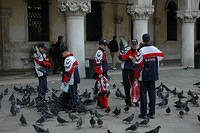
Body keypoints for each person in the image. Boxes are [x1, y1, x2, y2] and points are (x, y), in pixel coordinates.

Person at [138, 34, 164, 119]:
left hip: (143, 76)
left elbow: (138, 62)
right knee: (152, 94)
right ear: (150, 40)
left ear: (143, 40)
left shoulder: (141, 51)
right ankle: (152, 113)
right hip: (153, 75)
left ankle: (144, 113)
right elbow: (161, 57)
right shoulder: (155, 49)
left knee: (143, 95)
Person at [118, 39, 143, 107]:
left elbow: (141, 63)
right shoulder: (126, 50)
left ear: (137, 45)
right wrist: (128, 57)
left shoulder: (139, 52)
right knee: (127, 86)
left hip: (135, 71)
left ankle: (135, 100)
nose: (134, 46)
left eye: (135, 44)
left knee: (135, 86)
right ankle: (128, 101)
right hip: (127, 71)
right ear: (131, 44)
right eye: (133, 44)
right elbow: (120, 56)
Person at [60, 46, 80, 112]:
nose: (62, 55)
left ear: (65, 52)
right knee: (69, 93)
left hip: (71, 80)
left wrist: (65, 80)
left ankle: (74, 107)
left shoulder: (68, 59)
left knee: (72, 94)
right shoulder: (73, 58)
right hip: (74, 79)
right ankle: (66, 106)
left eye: (62, 54)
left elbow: (69, 71)